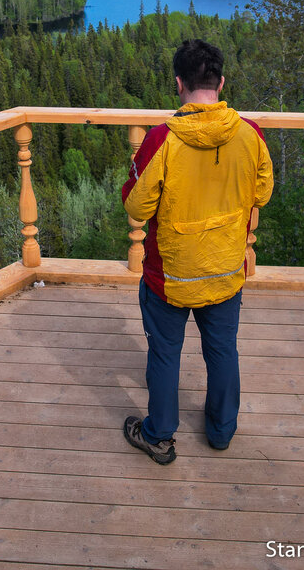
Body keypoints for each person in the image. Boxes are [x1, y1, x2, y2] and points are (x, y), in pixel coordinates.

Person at [121, 38, 274, 464]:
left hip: (170, 276)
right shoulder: (250, 135)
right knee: (223, 350)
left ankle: (159, 435)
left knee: (165, 354)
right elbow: (262, 192)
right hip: (226, 269)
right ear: (221, 82)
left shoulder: (161, 141)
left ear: (178, 84)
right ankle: (222, 431)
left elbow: (136, 206)